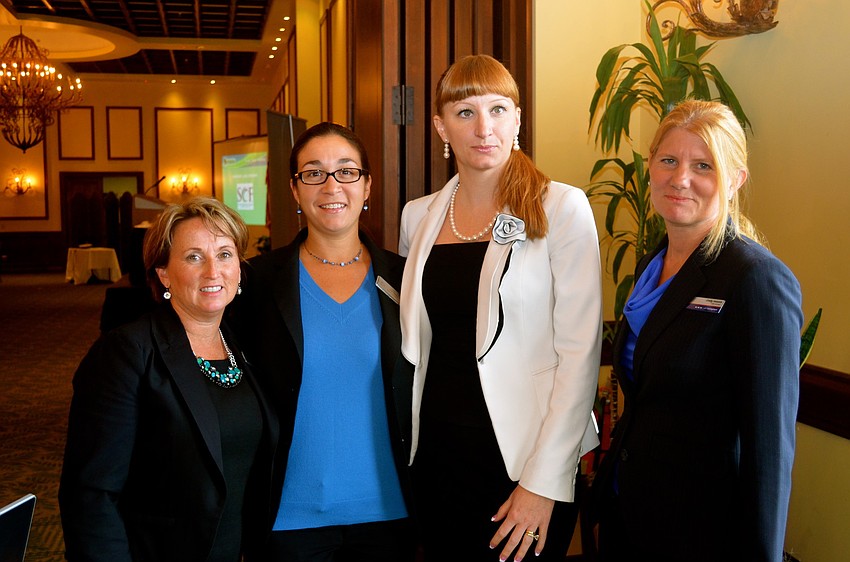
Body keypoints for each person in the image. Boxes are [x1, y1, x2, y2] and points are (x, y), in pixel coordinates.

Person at [398, 54, 603, 562]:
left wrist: (544, 481)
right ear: (441, 126)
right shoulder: (417, 217)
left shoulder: (561, 207)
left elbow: (579, 354)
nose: (483, 127)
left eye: (497, 109)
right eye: (465, 112)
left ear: (517, 119)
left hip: (525, 461)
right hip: (438, 456)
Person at [591, 100, 803, 562]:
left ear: (736, 180)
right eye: (668, 160)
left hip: (702, 533)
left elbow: (770, 451)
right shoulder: (652, 265)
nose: (680, 178)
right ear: (650, 168)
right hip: (629, 516)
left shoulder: (756, 279)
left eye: (702, 165)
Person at [59, 197, 279, 562]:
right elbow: (91, 494)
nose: (213, 270)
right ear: (163, 273)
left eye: (225, 254)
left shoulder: (243, 345)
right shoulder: (126, 353)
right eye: (194, 257)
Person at [234, 122, 416, 561]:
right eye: (313, 173)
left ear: (367, 185)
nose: (331, 185)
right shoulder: (256, 282)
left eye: (346, 171)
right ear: (295, 190)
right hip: (289, 519)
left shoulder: (407, 278)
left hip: (389, 514)